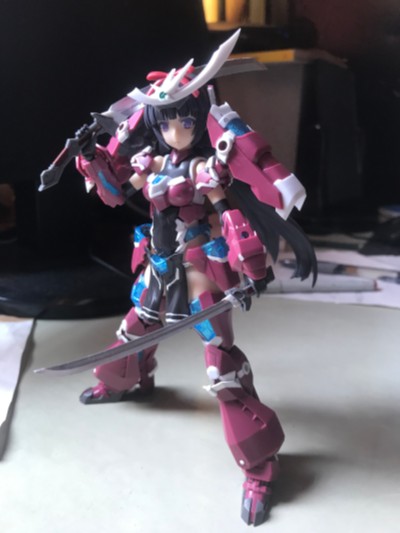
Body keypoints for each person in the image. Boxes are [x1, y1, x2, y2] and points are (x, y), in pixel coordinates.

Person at [73, 32, 317, 526]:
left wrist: (250, 264)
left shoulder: (206, 168)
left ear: (199, 120)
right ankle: (127, 380)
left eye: (186, 121)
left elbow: (231, 212)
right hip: (160, 263)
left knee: (220, 365)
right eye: (168, 121)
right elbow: (115, 194)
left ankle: (259, 465)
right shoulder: (151, 163)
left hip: (198, 266)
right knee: (135, 327)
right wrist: (92, 159)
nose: (177, 130)